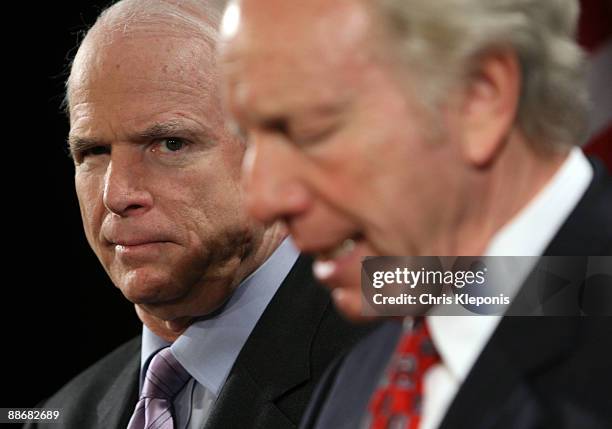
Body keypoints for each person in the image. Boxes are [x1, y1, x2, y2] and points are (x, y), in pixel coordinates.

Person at [220, 0, 612, 428]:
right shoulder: (356, 380)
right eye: (249, 138)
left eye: (309, 130)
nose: (262, 200)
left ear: (480, 97)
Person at [26, 1, 370, 428]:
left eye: (170, 144)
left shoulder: (417, 346)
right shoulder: (60, 417)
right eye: (94, 152)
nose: (117, 194)